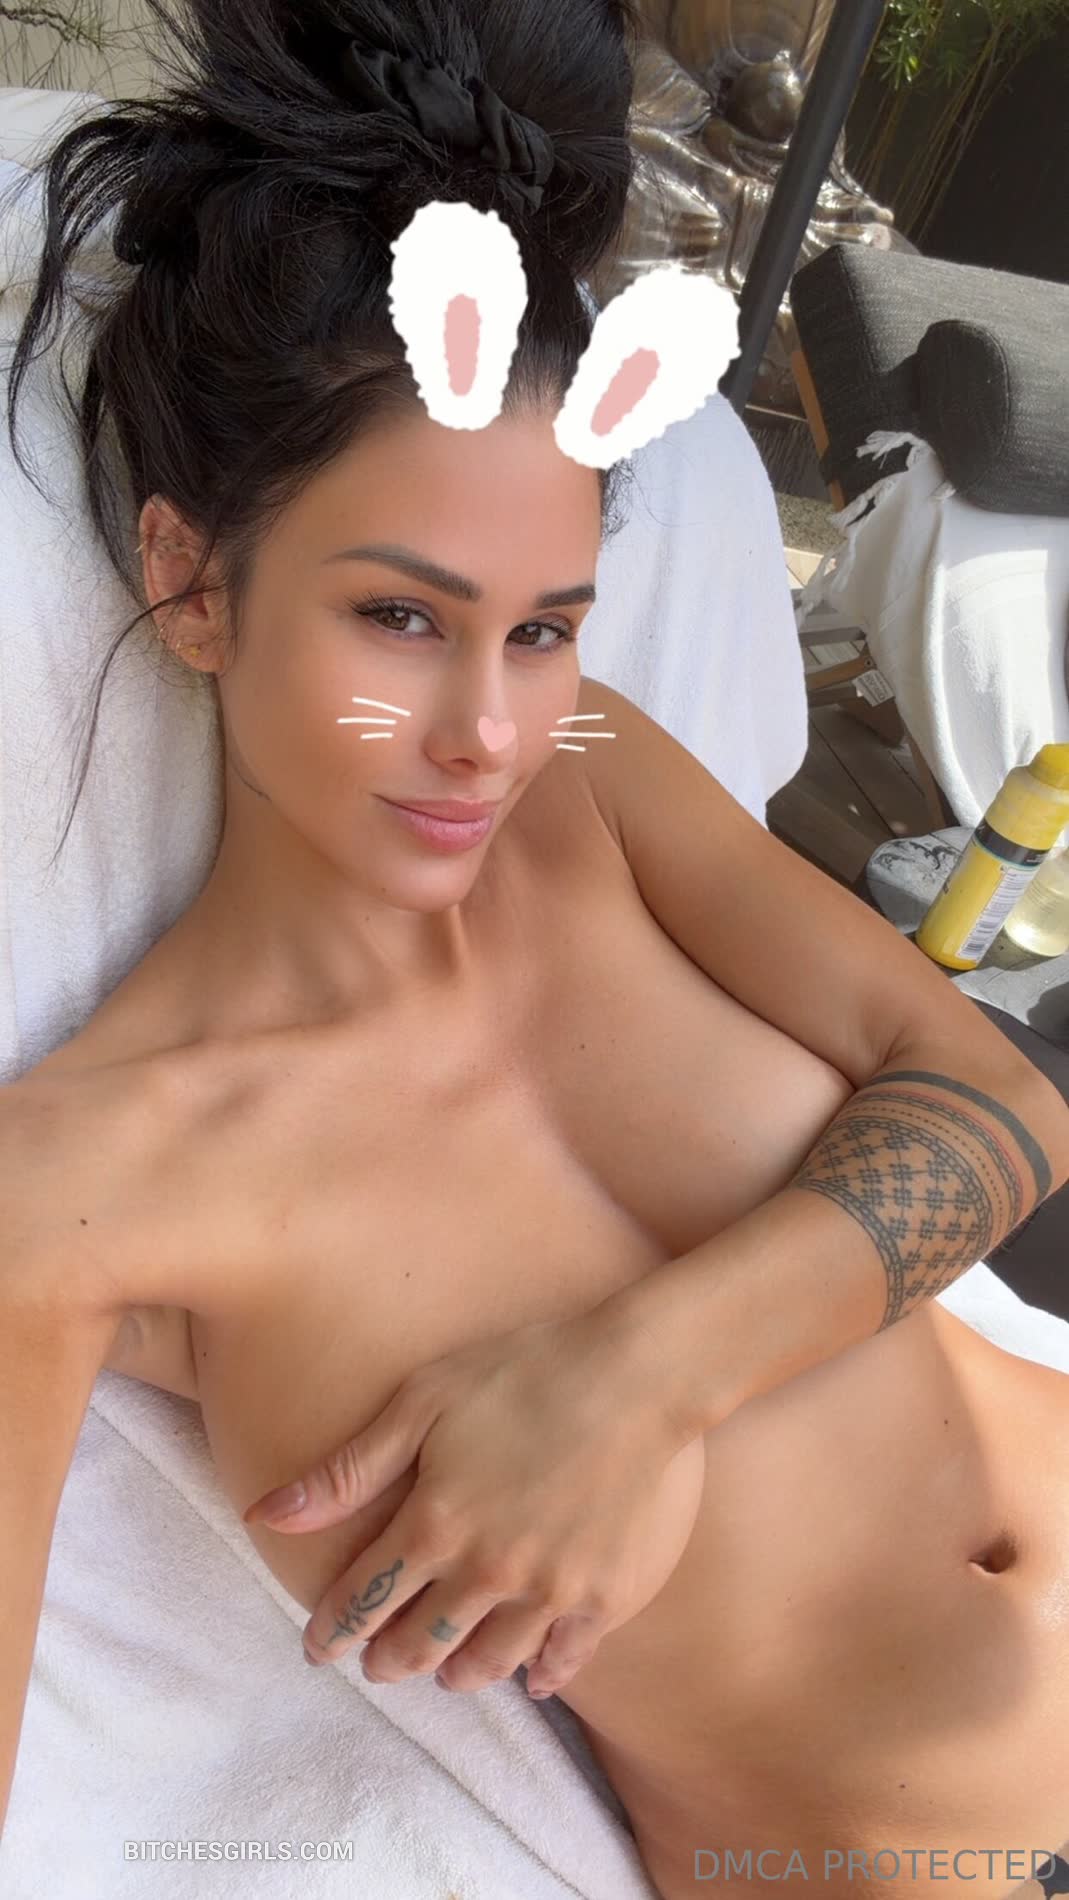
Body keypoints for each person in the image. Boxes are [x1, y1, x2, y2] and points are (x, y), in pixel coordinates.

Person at [3, 2, 1069, 1894]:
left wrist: (637, 1384)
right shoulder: (84, 1187)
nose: (485, 734)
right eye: (400, 621)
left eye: (545, 626)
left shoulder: (588, 772)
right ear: (189, 583)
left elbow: (1001, 1099)